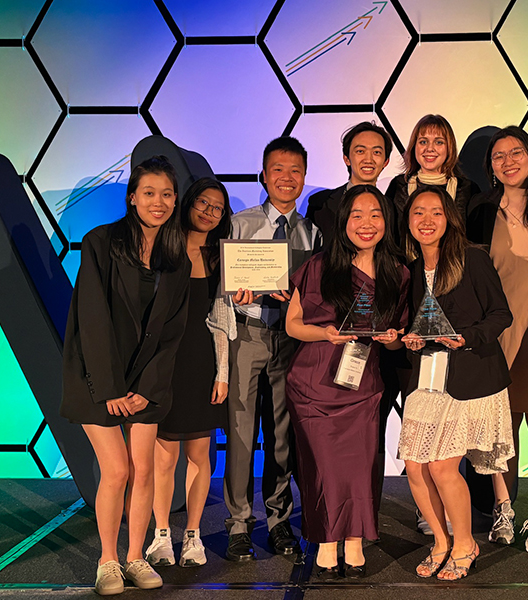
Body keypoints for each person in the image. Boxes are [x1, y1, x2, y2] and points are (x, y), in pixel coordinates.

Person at [60, 156, 190, 596]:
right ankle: (107, 560)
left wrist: (144, 390)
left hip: (147, 384)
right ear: (132, 197)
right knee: (115, 470)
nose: (159, 202)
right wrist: (113, 388)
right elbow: (91, 318)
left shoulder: (178, 256)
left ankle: (135, 555)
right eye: (149, 193)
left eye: (167, 194)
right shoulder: (101, 241)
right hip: (99, 378)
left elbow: (172, 333)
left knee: (144, 468)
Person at [286, 185, 409, 578]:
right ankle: (325, 541)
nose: (366, 223)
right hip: (314, 382)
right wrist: (325, 334)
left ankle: (354, 540)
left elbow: (398, 336)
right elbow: (293, 324)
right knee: (322, 468)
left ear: (386, 222)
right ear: (343, 222)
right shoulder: (318, 266)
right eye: (357, 215)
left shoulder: (399, 272)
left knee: (358, 467)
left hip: (363, 384)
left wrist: (392, 340)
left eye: (375, 214)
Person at [399, 186, 514, 580]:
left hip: (471, 376)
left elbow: (502, 315)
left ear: (449, 218)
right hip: (427, 378)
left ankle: (466, 543)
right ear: (408, 221)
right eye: (418, 213)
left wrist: (467, 337)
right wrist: (410, 339)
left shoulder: (472, 258)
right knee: (415, 467)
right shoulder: (412, 270)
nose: (426, 220)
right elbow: (419, 323)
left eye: (435, 212)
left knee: (444, 467)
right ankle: (442, 542)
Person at [144, 178, 253, 568]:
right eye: (203, 203)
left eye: (217, 208)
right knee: (163, 457)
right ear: (188, 204)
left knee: (199, 453)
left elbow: (224, 319)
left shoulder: (220, 257)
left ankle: (192, 536)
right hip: (164, 364)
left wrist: (222, 373)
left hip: (203, 361)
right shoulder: (160, 247)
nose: (208, 212)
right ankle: (159, 535)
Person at [466, 126, 528, 553]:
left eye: (516, 152)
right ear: (490, 166)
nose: (508, 161)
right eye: (498, 156)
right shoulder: (482, 209)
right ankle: (504, 508)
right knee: (501, 430)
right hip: (498, 333)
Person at [223, 136, 320, 561]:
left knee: (281, 435)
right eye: (278, 169)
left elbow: (316, 295)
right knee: (242, 434)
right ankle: (239, 524)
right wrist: (235, 297)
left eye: (295, 171)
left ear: (304, 178)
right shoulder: (239, 224)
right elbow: (219, 288)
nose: (286, 178)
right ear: (264, 175)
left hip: (289, 340)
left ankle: (279, 522)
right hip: (247, 334)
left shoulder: (312, 233)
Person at [385, 114, 479, 240]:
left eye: (438, 142)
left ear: (449, 147)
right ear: (414, 147)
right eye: (423, 142)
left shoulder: (467, 189)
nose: (430, 148)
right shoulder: (398, 185)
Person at [306, 121, 393, 247]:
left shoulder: (390, 207)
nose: (368, 159)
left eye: (377, 152)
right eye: (360, 151)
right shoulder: (319, 203)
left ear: (386, 162)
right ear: (346, 159)